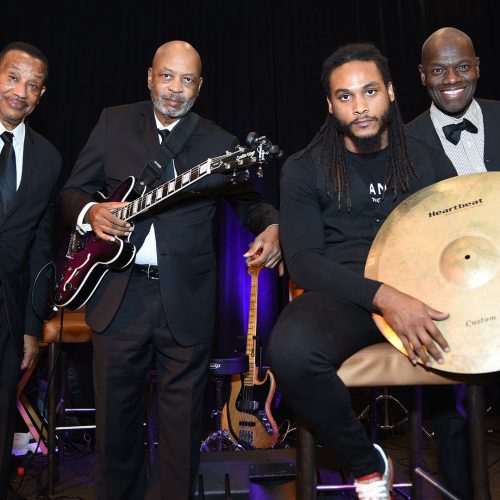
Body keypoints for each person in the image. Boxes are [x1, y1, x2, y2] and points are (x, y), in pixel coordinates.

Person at [59, 40, 281, 500]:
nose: (175, 89)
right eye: (167, 76)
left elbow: (250, 203)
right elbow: (72, 193)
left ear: (199, 86)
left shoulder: (219, 143)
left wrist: (273, 227)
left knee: (182, 429)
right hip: (118, 294)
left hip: (186, 299)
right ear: (150, 77)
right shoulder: (113, 122)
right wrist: (91, 212)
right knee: (115, 424)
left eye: (186, 80)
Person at [267, 43, 457, 499]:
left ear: (390, 92)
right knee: (290, 351)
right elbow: (305, 262)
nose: (360, 106)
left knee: (469, 372)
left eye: (369, 91)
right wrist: (386, 298)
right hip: (345, 298)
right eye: (345, 96)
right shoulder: (304, 168)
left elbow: (455, 238)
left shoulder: (425, 158)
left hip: (423, 292)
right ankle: (367, 466)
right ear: (330, 106)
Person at [406, 27, 500, 499]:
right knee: (452, 413)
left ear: (477, 67)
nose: (452, 80)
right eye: (438, 70)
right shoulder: (403, 143)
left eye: (462, 67)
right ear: (422, 76)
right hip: (448, 297)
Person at [0, 42, 61, 496]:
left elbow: (42, 249)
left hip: (8, 313)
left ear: (41, 96)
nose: (21, 92)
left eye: (33, 85)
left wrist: (31, 326)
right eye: (12, 77)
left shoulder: (48, 159)